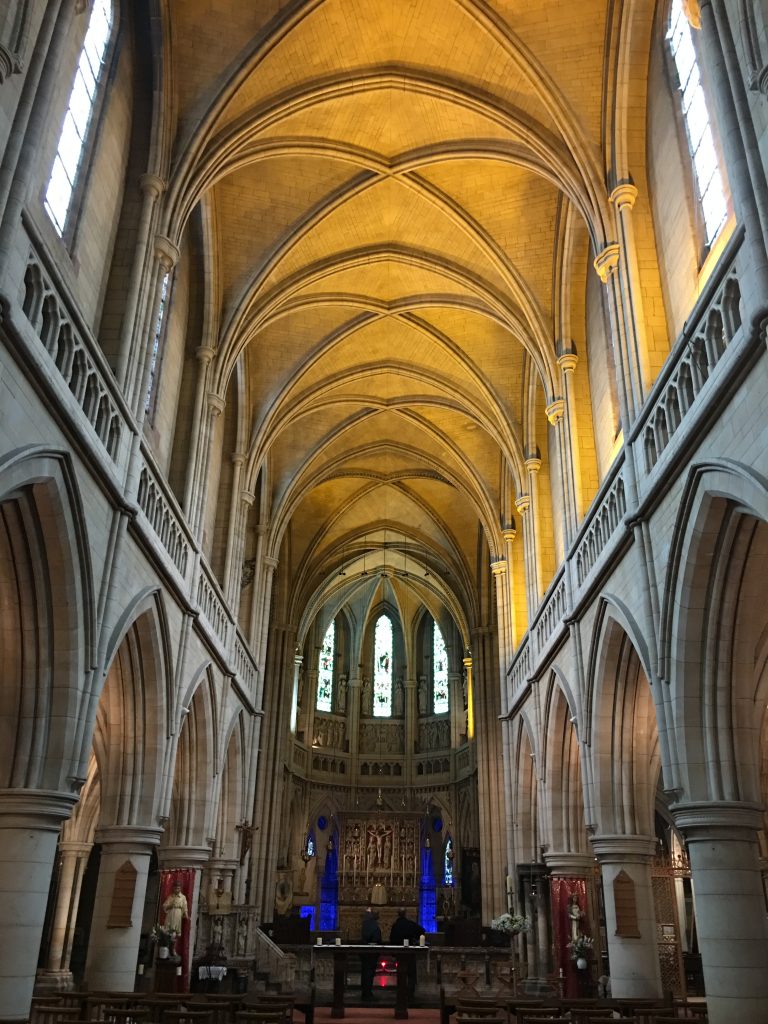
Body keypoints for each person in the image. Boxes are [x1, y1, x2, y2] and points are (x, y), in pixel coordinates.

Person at [389, 908, 425, 995]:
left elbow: (392, 939)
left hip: (399, 952)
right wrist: (416, 939)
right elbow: (422, 931)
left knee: (401, 972)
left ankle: (401, 990)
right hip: (410, 951)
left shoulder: (395, 925)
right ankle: (410, 991)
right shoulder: (410, 924)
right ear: (405, 914)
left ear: (398, 914)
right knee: (411, 972)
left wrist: (393, 953)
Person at [360, 907, 381, 1000]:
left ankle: (366, 992)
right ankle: (367, 993)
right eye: (377, 914)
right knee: (368, 973)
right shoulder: (372, 925)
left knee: (365, 972)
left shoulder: (366, 923)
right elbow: (376, 938)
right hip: (371, 952)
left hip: (365, 952)